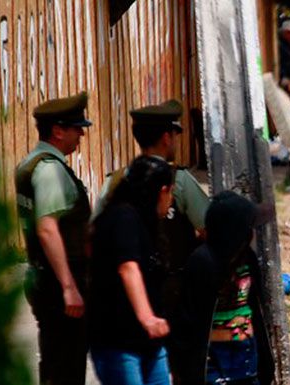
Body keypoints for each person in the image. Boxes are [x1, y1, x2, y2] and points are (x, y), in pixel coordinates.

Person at [93, 99, 209, 384]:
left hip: (129, 307)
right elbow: (209, 226)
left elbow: (92, 233)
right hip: (166, 298)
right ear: (167, 136)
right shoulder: (178, 180)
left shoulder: (115, 181)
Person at [15, 92, 93, 385]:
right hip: (60, 280)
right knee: (66, 365)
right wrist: (69, 287)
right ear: (58, 131)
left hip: (42, 275)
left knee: (55, 361)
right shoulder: (50, 171)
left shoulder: (31, 163)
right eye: (76, 128)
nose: (81, 134)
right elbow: (47, 228)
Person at [89, 156, 175, 385]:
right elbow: (128, 268)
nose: (172, 200)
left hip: (150, 343)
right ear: (162, 191)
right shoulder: (123, 217)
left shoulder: (144, 221)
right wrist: (147, 318)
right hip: (120, 342)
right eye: (171, 193)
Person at [173, 191, 275, 385]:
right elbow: (188, 320)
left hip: (247, 355)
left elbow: (256, 308)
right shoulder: (202, 261)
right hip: (214, 360)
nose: (252, 233)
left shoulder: (248, 258)